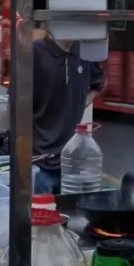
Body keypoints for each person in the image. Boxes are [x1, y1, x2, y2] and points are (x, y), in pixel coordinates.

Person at [32, 26, 105, 194]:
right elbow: (15, 101)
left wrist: (80, 102)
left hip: (71, 162)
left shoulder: (84, 53)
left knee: (69, 216)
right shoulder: (35, 52)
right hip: (38, 162)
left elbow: (98, 83)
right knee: (40, 216)